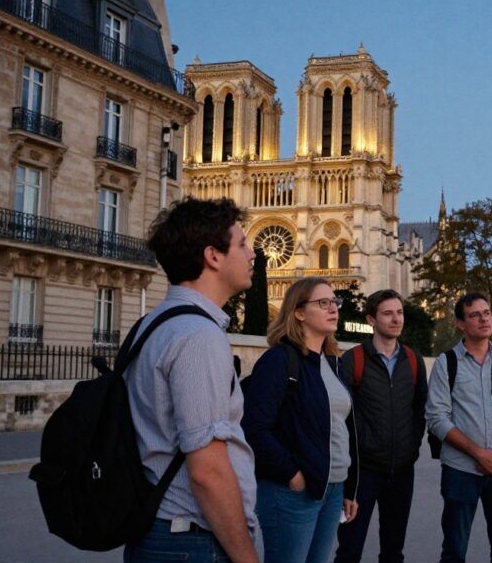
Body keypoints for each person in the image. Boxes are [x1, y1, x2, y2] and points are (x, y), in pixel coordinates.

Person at [125, 197, 259, 563]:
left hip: (158, 527)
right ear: (213, 256)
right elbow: (208, 471)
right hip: (191, 538)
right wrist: (246, 556)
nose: (252, 255)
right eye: (243, 244)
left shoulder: (153, 324)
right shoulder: (198, 337)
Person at [241, 277, 359, 563]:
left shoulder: (333, 363)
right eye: (323, 303)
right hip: (293, 491)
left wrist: (348, 487)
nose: (333, 308)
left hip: (332, 489)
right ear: (298, 312)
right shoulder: (280, 360)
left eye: (335, 302)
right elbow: (254, 428)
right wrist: (293, 475)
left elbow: (343, 430)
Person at [425, 292, 492, 563]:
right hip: (460, 470)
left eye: (487, 313)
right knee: (454, 550)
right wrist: (479, 454)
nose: (483, 319)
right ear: (461, 323)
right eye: (474, 315)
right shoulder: (446, 363)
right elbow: (437, 417)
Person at [335, 290, 428, 563]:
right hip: (363, 471)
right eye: (387, 313)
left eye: (399, 312)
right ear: (371, 319)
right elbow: (343, 416)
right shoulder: (353, 360)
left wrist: (411, 446)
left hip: (401, 470)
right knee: (350, 549)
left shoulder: (412, 359)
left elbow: (420, 408)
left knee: (393, 550)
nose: (396, 319)